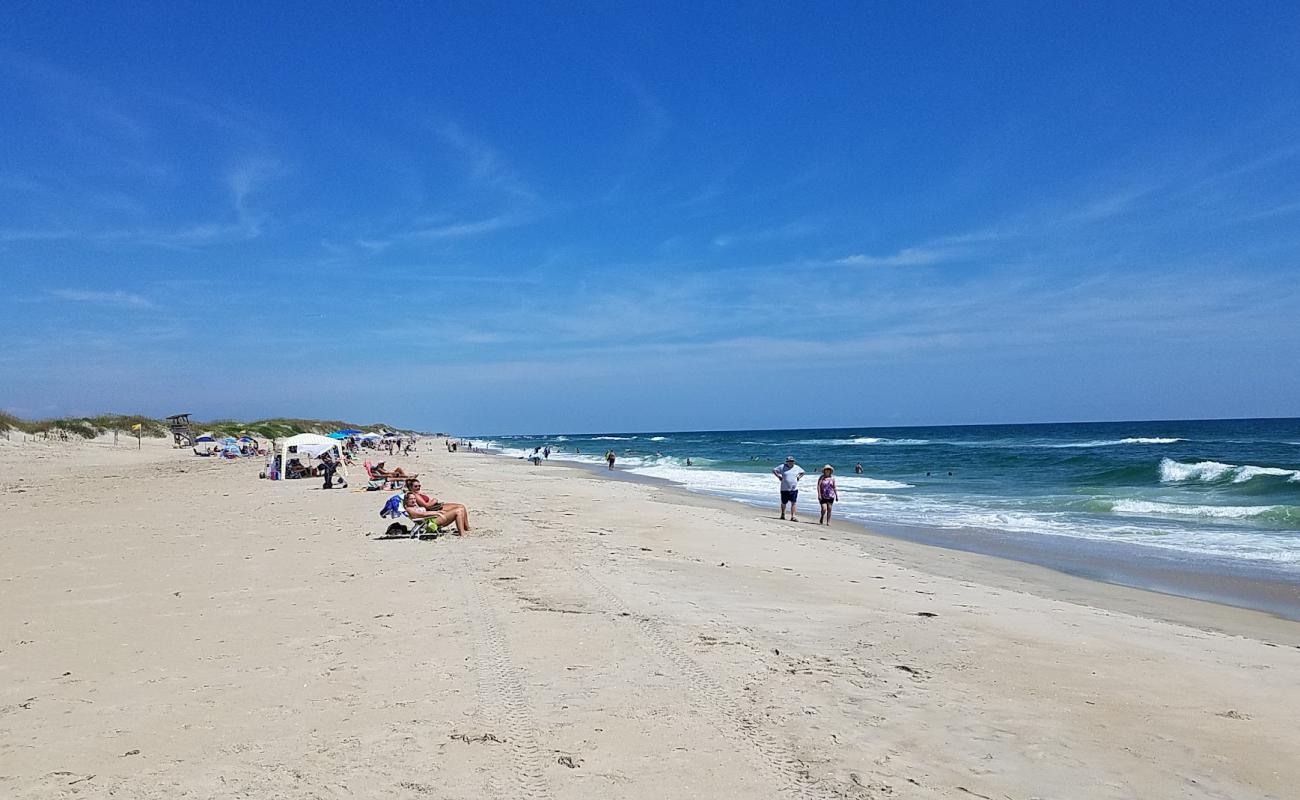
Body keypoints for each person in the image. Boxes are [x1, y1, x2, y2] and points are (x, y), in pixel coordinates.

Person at [403, 482, 471, 534]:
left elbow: (424, 512)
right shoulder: (409, 509)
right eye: (411, 499)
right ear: (406, 500)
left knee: (461, 508)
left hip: (433, 518)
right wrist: (437, 512)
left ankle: (465, 530)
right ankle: (462, 534)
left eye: (414, 499)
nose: (414, 500)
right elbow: (422, 515)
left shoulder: (414, 506)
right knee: (458, 511)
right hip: (432, 521)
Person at [773, 456, 805, 521]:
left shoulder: (797, 467)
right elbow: (774, 470)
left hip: (794, 489)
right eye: (789, 461)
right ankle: (783, 514)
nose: (791, 462)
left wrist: (798, 477)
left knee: (793, 502)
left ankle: (793, 516)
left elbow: (803, 472)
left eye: (792, 461)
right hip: (784, 488)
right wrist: (779, 476)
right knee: (783, 503)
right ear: (786, 462)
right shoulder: (782, 466)